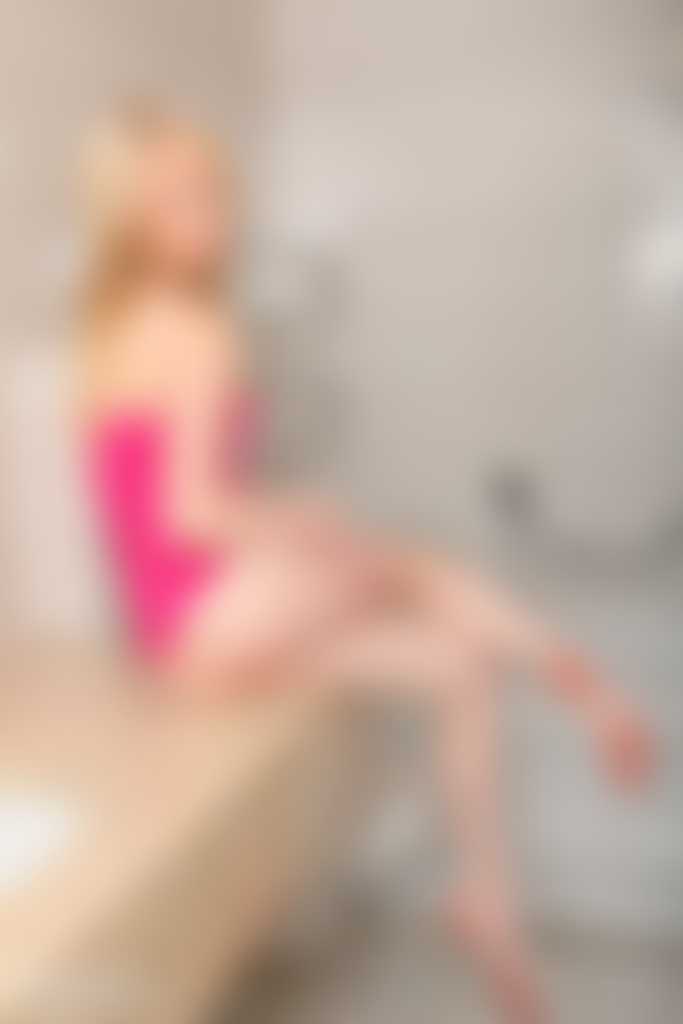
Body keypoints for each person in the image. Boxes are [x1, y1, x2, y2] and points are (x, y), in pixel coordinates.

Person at [76, 100, 654, 1023]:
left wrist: (296, 529)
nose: (213, 211)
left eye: (213, 187)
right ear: (131, 218)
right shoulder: (193, 332)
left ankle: (487, 898)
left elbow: (150, 506)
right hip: (204, 614)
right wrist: (300, 520)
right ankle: (580, 684)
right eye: (180, 196)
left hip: (175, 635)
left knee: (452, 664)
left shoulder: (118, 330)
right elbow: (193, 513)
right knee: (412, 563)